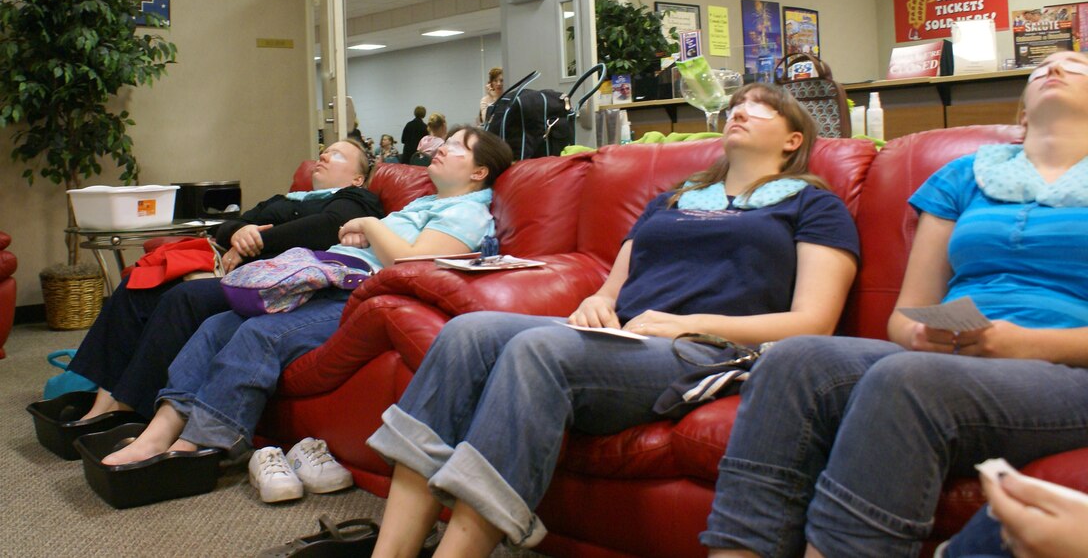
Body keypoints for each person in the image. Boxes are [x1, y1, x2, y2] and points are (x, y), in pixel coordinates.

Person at [364, 83, 861, 557]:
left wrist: (690, 323)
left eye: (762, 106)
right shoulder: (672, 200)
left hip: (713, 350)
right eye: (737, 102)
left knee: (538, 349)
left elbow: (812, 322)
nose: (741, 109)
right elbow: (612, 286)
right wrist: (595, 303)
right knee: (467, 333)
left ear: (794, 139)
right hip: (623, 338)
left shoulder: (814, 205)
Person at [700, 50, 1088, 558]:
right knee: (796, 357)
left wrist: (1024, 343)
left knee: (908, 380)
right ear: (1022, 112)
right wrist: (921, 334)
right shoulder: (964, 177)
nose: (1053, 69)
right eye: (1040, 70)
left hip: (1067, 368)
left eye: (1077, 66)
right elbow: (907, 315)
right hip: (952, 357)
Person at [100, 127, 514, 480]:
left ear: (479, 171)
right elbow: (385, 243)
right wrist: (360, 236)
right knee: (216, 327)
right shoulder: (427, 203)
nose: (443, 146)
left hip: (358, 295)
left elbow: (410, 261)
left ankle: (199, 446)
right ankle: (158, 432)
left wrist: (367, 225)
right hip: (324, 278)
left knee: (258, 335)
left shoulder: (469, 212)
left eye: (459, 146)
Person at [68, 140, 382, 421]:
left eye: (337, 154)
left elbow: (325, 228)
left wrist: (254, 240)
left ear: (357, 176)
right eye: (325, 151)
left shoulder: (356, 198)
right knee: (138, 283)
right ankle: (102, 400)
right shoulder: (286, 198)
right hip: (240, 274)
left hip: (280, 286)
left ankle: (131, 407)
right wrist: (237, 233)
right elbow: (231, 223)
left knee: (185, 298)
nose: (325, 155)